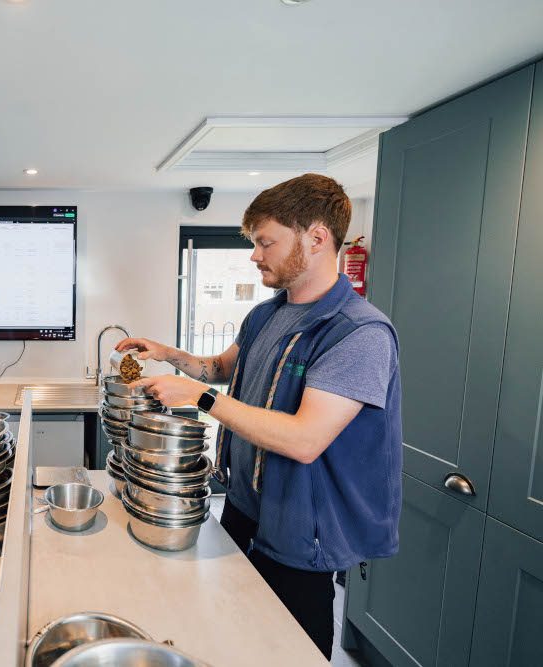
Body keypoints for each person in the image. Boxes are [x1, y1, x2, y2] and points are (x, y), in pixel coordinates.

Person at [117, 174, 402, 661]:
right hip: (245, 510)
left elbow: (304, 440)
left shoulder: (358, 333)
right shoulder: (266, 316)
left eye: (266, 242)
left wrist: (200, 397)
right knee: (232, 637)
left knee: (285, 652)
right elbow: (221, 369)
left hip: (301, 532)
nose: (254, 255)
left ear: (316, 237)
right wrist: (167, 353)